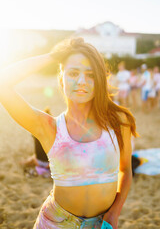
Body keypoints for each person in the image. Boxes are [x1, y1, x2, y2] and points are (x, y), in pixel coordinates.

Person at [0, 37, 137, 229]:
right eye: (73, 73)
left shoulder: (118, 122)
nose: (81, 81)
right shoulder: (49, 127)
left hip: (102, 223)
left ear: (99, 80)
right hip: (56, 223)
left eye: (90, 75)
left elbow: (126, 171)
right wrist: (53, 55)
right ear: (61, 78)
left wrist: (114, 212)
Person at [21, 107, 51, 177]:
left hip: (37, 161)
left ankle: (25, 163)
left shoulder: (35, 132)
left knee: (33, 156)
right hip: (48, 164)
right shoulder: (52, 134)